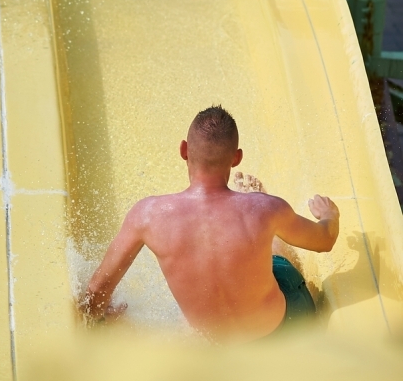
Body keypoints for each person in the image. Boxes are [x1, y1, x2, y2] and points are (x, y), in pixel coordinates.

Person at [80, 106, 339, 341]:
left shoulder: (147, 215)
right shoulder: (267, 207)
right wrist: (330, 215)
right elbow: (325, 240)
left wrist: (100, 320)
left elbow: (96, 292)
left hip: (212, 344)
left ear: (183, 150)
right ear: (236, 158)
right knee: (275, 257)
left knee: (192, 317)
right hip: (282, 329)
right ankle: (272, 236)